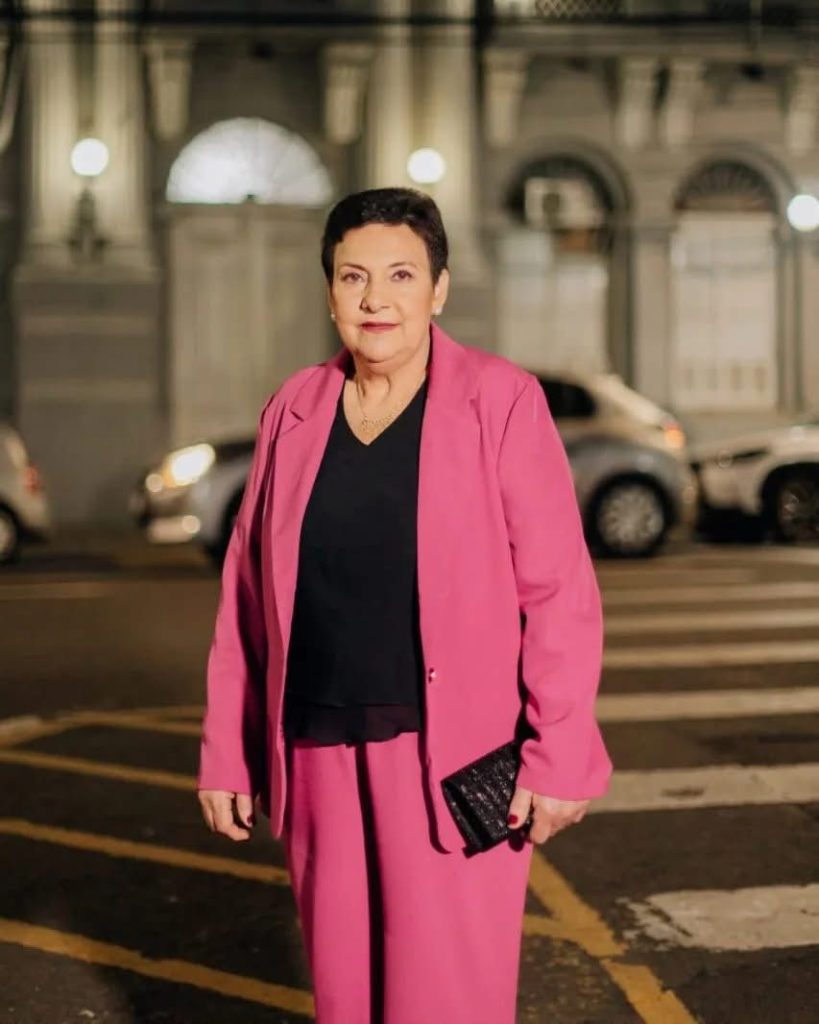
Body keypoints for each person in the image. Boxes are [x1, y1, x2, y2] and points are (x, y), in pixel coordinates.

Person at [197, 187, 612, 1023]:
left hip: (449, 757)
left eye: (399, 275)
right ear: (329, 292)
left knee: (445, 1000)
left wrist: (560, 751)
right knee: (345, 999)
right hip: (315, 751)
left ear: (438, 289)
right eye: (353, 277)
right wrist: (227, 752)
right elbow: (246, 595)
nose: (374, 299)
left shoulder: (498, 400)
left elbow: (557, 588)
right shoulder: (295, 409)